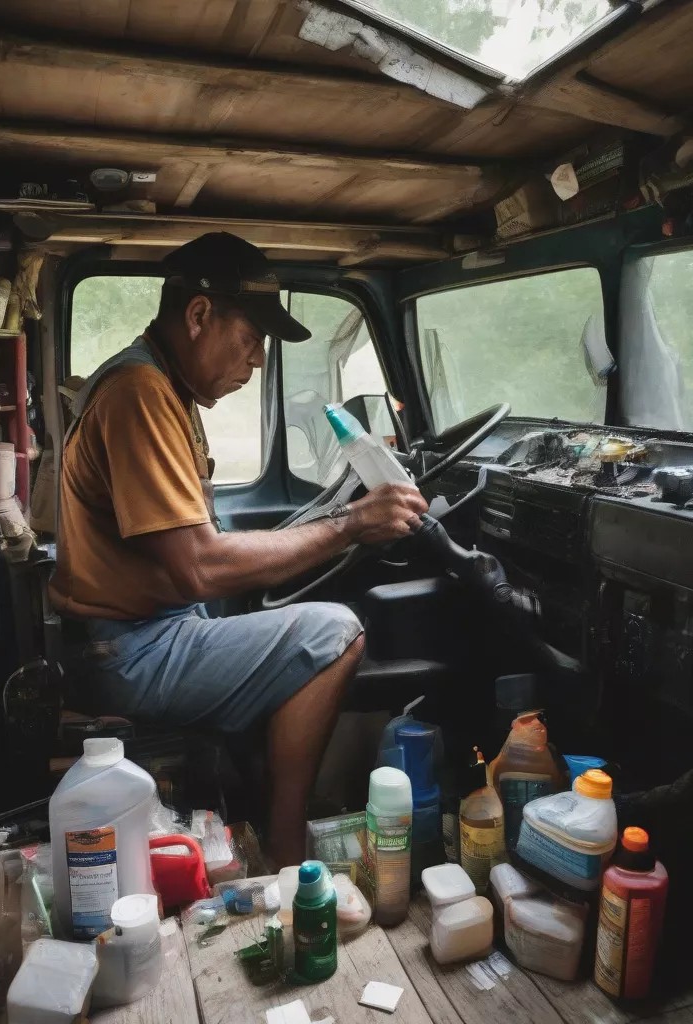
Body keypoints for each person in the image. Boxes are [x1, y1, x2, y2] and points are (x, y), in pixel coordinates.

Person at [51, 232, 427, 865]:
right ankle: (285, 848)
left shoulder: (164, 388)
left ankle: (254, 818)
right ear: (199, 316)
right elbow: (200, 565)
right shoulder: (140, 393)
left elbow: (198, 550)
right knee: (337, 633)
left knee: (284, 616)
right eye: (251, 339)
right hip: (131, 650)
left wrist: (334, 526)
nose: (255, 362)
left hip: (138, 634)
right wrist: (349, 525)